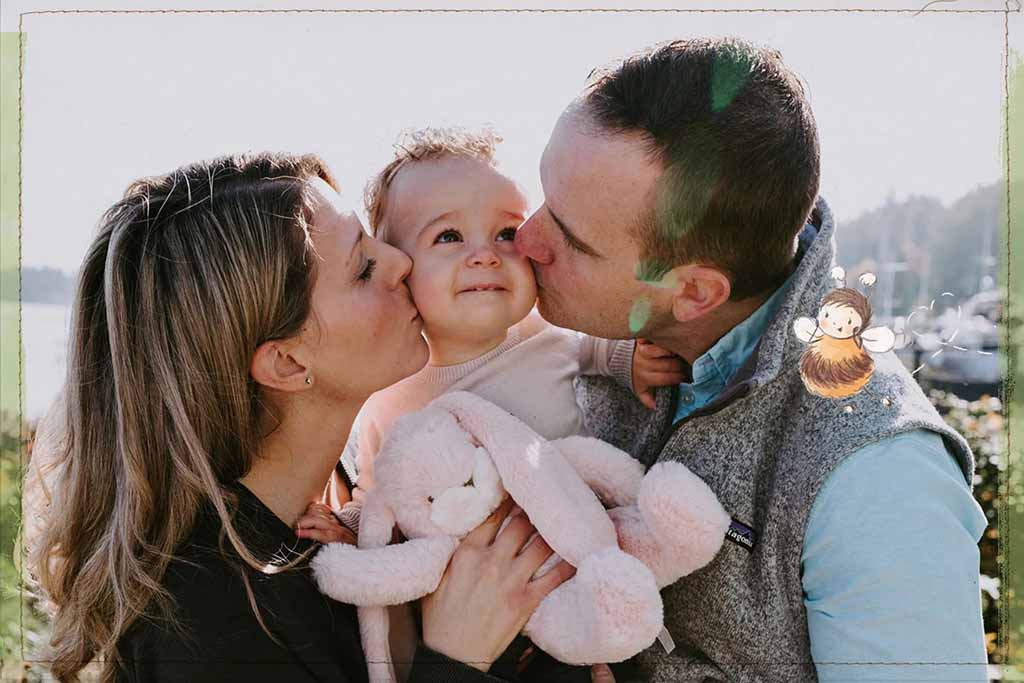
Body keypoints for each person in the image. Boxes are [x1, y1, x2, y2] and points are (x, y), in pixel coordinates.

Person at [512, 38, 990, 681]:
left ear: (694, 292)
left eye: (570, 239)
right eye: (544, 196)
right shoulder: (568, 342)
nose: (524, 238)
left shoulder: (878, 473)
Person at [24, 152, 575, 683]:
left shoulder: (341, 519)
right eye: (363, 266)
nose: (400, 261)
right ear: (287, 362)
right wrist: (457, 661)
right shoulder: (205, 620)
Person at [300, 126, 683, 683]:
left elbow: (594, 347)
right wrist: (349, 526)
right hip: (492, 625)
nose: (485, 255)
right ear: (400, 271)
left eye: (506, 233)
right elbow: (383, 493)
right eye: (449, 237)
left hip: (583, 571)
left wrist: (630, 361)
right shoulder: (393, 390)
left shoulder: (543, 331)